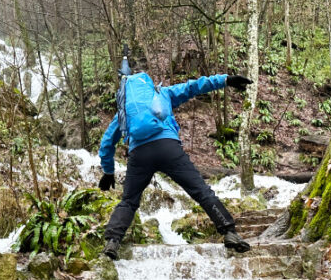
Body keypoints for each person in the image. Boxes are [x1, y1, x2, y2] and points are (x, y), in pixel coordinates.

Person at [97, 62, 254, 260]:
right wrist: (226, 80)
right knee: (201, 191)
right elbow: (194, 86)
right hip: (168, 147)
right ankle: (229, 232)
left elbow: (107, 143)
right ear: (148, 85)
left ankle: (113, 242)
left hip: (139, 155)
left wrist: (108, 171)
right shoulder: (163, 94)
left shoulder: (124, 111)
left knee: (128, 201)